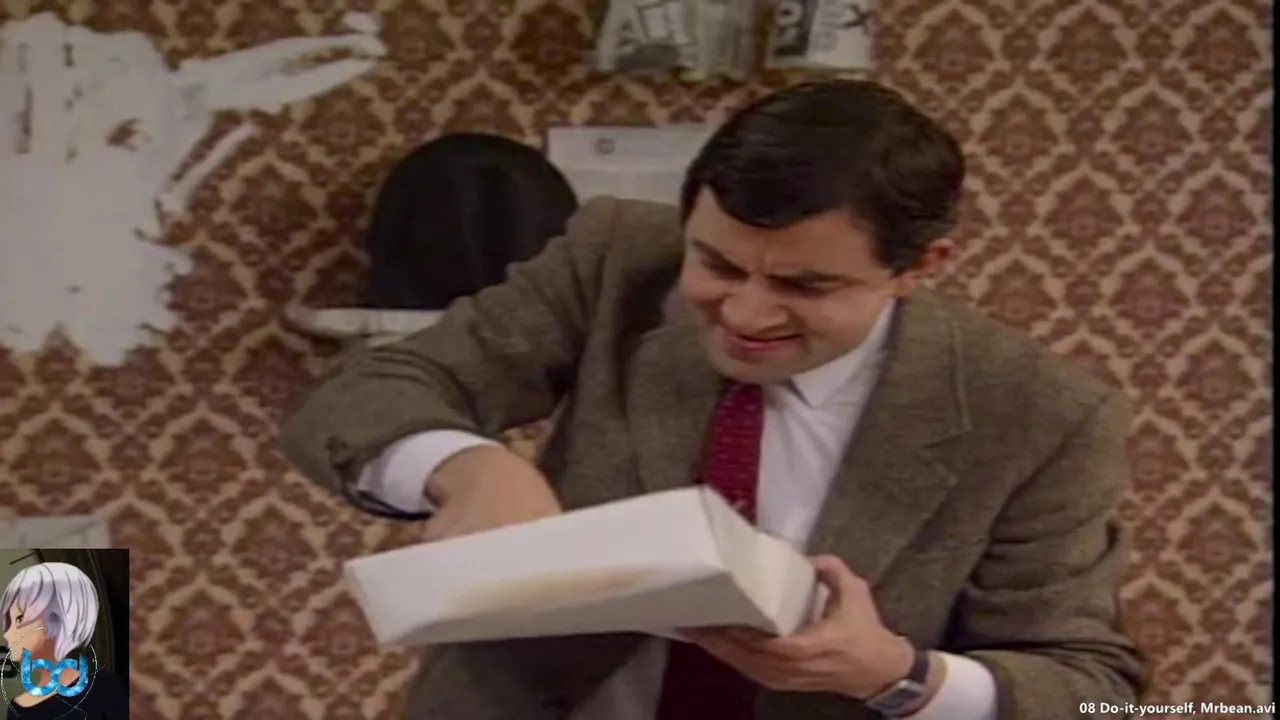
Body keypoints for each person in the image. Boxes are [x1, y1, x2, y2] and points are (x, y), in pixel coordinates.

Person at [281, 79, 1145, 720]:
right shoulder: (619, 258)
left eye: (805, 285)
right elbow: (366, 394)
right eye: (718, 265)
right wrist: (468, 468)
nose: (746, 314)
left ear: (921, 267)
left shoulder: (1040, 415)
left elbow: (1091, 688)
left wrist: (897, 675)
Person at [2, 562, 128, 719]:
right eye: (8, 622)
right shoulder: (17, 710)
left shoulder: (105, 690)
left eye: (20, 619)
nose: (7, 634)